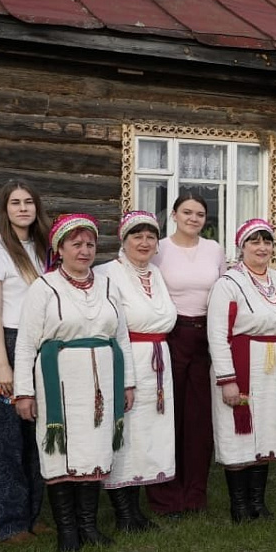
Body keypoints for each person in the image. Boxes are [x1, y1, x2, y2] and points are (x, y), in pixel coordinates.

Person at [13, 214, 137, 552]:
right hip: (61, 380)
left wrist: (127, 383)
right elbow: (25, 343)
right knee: (61, 451)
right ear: (60, 248)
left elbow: (121, 336)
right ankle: (67, 531)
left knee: (94, 448)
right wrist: (24, 391)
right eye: (76, 244)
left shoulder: (108, 286)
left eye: (90, 244)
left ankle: (89, 526)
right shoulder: (44, 287)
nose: (84, 251)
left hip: (102, 380)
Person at [0, 179, 52, 546]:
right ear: (4, 209)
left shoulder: (44, 248)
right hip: (7, 341)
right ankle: (8, 522)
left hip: (42, 343)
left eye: (28, 202)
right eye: (15, 203)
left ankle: (32, 514)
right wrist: (2, 365)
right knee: (7, 437)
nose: (23, 208)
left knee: (37, 431)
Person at [96, 211, 178, 531]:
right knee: (125, 431)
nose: (144, 243)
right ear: (123, 240)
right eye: (137, 236)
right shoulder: (108, 274)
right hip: (126, 357)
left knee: (148, 433)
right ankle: (123, 511)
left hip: (158, 360)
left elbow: (165, 317)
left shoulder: (155, 274)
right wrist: (125, 378)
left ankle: (137, 509)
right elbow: (115, 326)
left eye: (150, 237)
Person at [208, 218, 276, 522]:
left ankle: (258, 502)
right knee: (238, 432)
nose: (261, 247)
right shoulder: (228, 284)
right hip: (242, 362)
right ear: (241, 247)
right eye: (254, 242)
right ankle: (239, 504)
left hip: (274, 365)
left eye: (267, 241)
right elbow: (218, 334)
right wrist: (228, 380)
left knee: (266, 429)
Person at [149, 193, 224, 517]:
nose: (193, 218)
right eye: (187, 212)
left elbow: (221, 291)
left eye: (200, 213)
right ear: (174, 215)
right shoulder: (160, 248)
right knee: (168, 416)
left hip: (205, 335)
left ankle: (195, 494)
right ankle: (167, 494)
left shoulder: (214, 249)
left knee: (199, 419)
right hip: (171, 334)